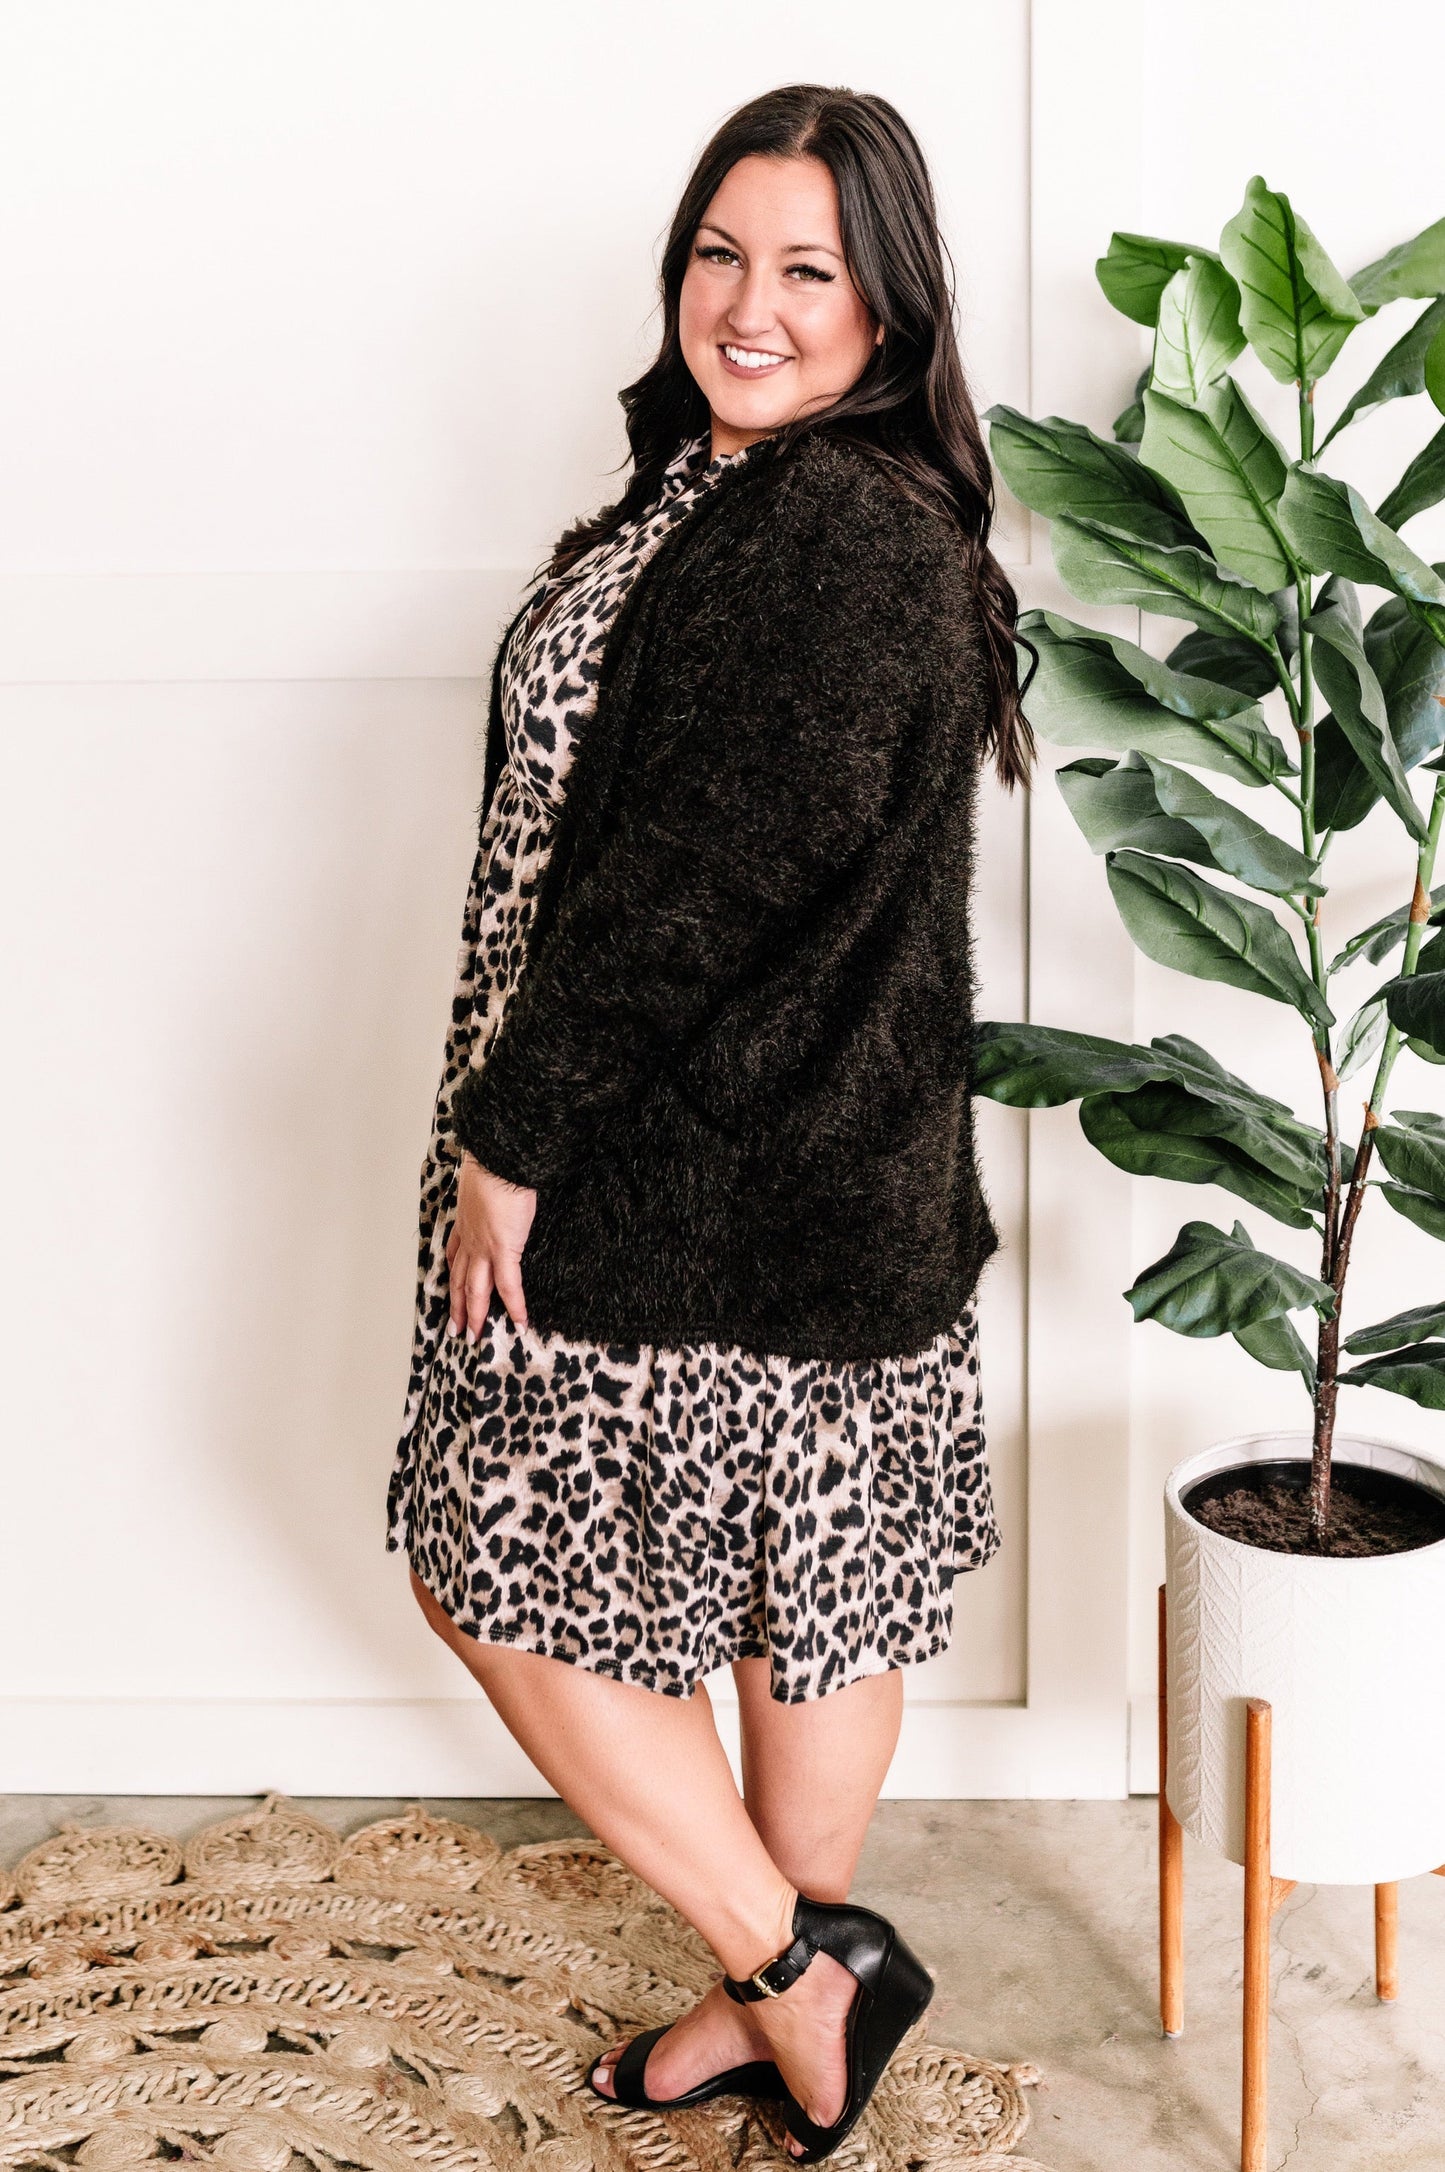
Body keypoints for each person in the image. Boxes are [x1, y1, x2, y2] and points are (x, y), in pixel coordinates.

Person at [386, 81, 1035, 2165]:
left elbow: (693, 886)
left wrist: (517, 1138)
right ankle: (784, 1987)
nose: (748, 304)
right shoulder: (730, 490)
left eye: (807, 270)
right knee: (794, 1595)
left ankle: (787, 1965)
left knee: (491, 1569)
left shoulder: (836, 528)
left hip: (696, 1167)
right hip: (797, 1166)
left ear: (888, 309)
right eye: (719, 254)